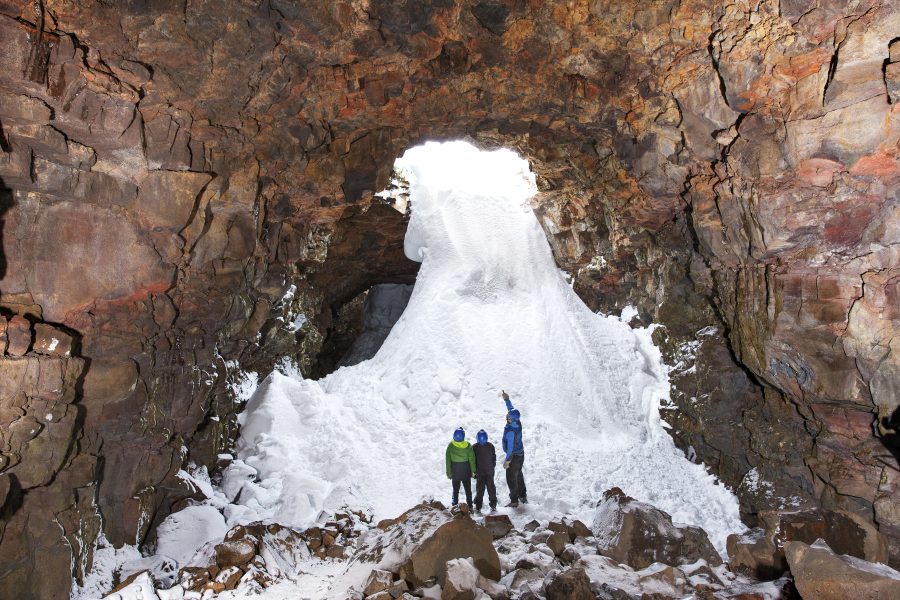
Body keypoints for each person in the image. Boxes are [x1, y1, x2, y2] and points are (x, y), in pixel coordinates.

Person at [501, 390, 527, 507]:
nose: (507, 416)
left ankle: (514, 500)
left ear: (511, 419)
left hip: (514, 457)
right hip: (521, 455)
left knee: (511, 478)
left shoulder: (511, 432)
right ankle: (523, 495)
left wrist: (507, 461)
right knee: (519, 474)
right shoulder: (517, 422)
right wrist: (507, 399)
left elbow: (510, 449)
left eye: (509, 417)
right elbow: (511, 410)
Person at [445, 427, 476, 509]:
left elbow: (448, 461)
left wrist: (449, 472)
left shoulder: (451, 446)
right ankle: (470, 505)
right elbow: (472, 460)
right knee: (468, 490)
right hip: (466, 471)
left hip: (455, 472)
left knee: (455, 490)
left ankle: (455, 504)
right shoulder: (468, 445)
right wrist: (473, 471)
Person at [473, 429, 497, 513]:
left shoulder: (474, 447)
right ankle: (493, 504)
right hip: (489, 471)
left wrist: (474, 471)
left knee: (480, 489)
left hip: (480, 472)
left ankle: (478, 505)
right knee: (491, 488)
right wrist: (492, 467)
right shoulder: (491, 446)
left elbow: (473, 460)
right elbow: (493, 458)